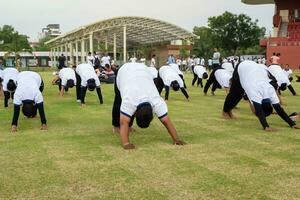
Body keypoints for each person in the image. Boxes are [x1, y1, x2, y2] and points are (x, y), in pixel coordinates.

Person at [112, 63, 186, 149]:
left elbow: (167, 121)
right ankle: (115, 126)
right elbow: (123, 122)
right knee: (118, 102)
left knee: (127, 113)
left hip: (143, 70)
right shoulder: (129, 101)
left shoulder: (156, 102)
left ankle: (130, 126)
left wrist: (176, 139)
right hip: (124, 72)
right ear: (135, 113)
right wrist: (126, 143)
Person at [223, 61, 300, 131]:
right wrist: (266, 126)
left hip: (255, 68)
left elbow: (279, 110)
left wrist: (292, 124)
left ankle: (229, 110)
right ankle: (225, 111)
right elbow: (259, 111)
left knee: (239, 93)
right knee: (236, 93)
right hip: (243, 66)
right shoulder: (255, 91)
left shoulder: (270, 91)